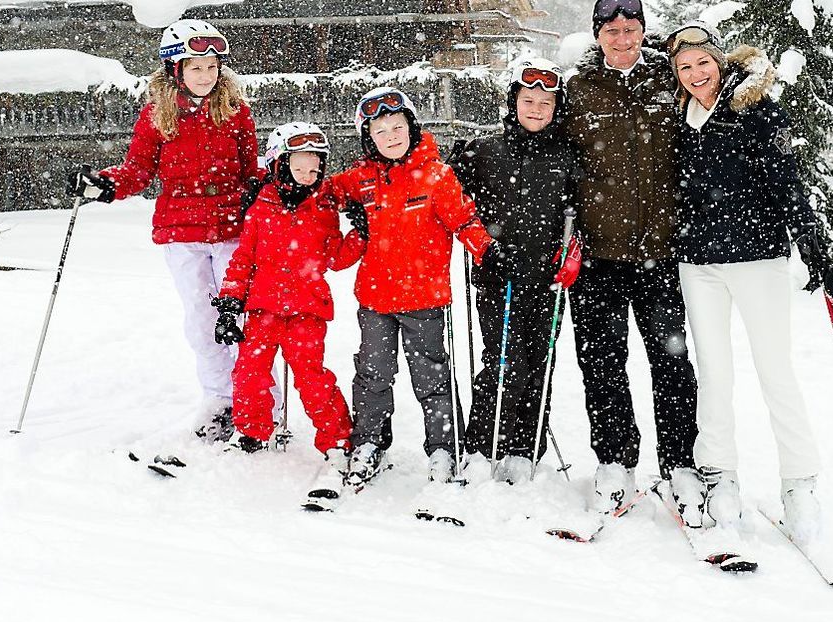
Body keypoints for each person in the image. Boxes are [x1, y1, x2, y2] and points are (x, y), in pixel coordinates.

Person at [667, 21, 833, 543]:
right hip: (698, 265)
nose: (697, 73)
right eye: (685, 67)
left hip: (756, 259)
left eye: (703, 62)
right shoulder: (680, 119)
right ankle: (720, 476)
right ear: (677, 75)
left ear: (719, 61)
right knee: (715, 375)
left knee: (775, 371)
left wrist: (810, 237)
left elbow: (787, 177)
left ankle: (800, 486)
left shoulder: (756, 109)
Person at [66, 19, 279, 440]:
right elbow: (138, 170)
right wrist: (107, 185)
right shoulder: (156, 116)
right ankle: (220, 399)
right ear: (175, 70)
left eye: (212, 66)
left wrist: (268, 186)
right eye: (195, 67)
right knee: (203, 320)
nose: (206, 75)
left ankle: (259, 398)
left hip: (233, 228)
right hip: (181, 232)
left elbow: (249, 166)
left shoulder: (236, 113)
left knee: (246, 318)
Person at [564, 0, 703, 517]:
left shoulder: (670, 80)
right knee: (601, 364)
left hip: (660, 253)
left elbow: (721, 88)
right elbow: (551, 152)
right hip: (599, 255)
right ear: (597, 34)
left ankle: (679, 464)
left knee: (671, 363)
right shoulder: (577, 89)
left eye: (631, 29)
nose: (622, 38)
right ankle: (615, 460)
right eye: (612, 30)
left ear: (643, 31)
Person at [328, 87, 495, 487]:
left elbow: (465, 221)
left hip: (425, 298)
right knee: (372, 373)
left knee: (431, 376)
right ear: (369, 137)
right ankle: (369, 442)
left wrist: (488, 252)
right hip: (375, 298)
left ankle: (442, 448)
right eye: (380, 130)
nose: (390, 136)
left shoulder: (437, 176)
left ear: (412, 128)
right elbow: (320, 192)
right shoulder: (362, 178)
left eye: (397, 126)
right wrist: (284, 185)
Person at [451, 59, 583, 484]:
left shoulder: (567, 155)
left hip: (547, 277)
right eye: (529, 100)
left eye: (546, 102)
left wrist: (573, 252)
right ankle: (482, 444)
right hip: (498, 276)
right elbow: (449, 198)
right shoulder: (486, 150)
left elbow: (582, 212)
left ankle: (526, 447)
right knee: (506, 361)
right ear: (514, 102)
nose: (537, 108)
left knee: (539, 361)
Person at [212, 122, 354, 506]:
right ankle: (252, 431)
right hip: (263, 308)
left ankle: (338, 440)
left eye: (315, 168)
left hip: (307, 309)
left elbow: (336, 257)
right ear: (279, 165)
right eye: (300, 167)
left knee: (312, 377)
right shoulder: (261, 208)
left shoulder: (324, 209)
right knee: (249, 371)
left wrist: (361, 231)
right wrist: (229, 304)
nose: (308, 176)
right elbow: (243, 260)